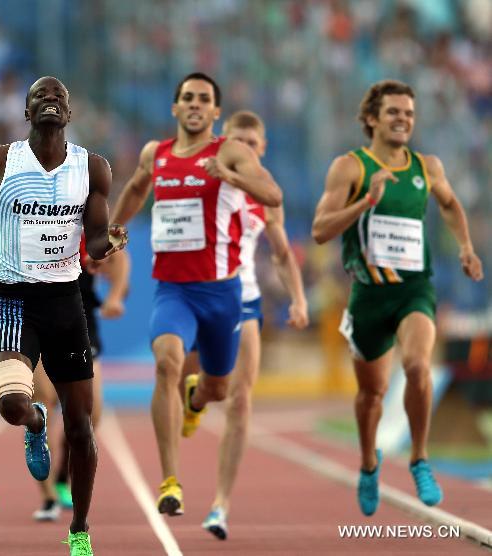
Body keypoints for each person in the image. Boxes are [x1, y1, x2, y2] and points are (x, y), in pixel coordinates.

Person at [0, 75, 126, 556]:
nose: (49, 100)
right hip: (12, 300)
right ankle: (34, 425)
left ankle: (80, 529)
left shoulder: (92, 168)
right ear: (27, 113)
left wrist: (108, 243)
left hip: (65, 302)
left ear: (68, 114)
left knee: (80, 425)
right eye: (39, 97)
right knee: (10, 404)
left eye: (59, 97)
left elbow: (93, 241)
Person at [109, 72, 282, 517]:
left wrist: (228, 175)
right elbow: (135, 187)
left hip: (222, 295)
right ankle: (170, 481)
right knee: (167, 361)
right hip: (174, 292)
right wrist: (115, 225)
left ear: (215, 112)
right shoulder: (157, 153)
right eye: (187, 97)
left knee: (218, 388)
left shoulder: (230, 151)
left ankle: (197, 398)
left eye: (204, 99)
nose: (195, 104)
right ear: (174, 107)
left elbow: (272, 192)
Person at [311, 80, 483, 516]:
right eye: (393, 112)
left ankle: (420, 458)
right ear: (372, 118)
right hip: (368, 295)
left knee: (418, 366)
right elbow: (320, 230)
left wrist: (464, 246)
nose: (403, 119)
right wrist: (365, 202)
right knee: (372, 393)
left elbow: (449, 205)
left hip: (414, 290)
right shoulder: (350, 168)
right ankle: (369, 463)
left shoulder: (428, 167)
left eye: (409, 113)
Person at [180, 111, 309, 539]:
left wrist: (298, 298)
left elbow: (280, 251)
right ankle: (194, 400)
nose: (247, 150)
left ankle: (220, 505)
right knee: (196, 382)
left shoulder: (265, 194)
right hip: (198, 293)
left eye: (254, 144)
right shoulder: (203, 177)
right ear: (223, 143)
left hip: (244, 300)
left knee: (240, 400)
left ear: (263, 148)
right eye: (239, 142)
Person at [31, 240, 129, 522]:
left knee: (88, 415)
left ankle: (62, 475)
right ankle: (48, 495)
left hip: (80, 327)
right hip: (38, 324)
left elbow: (120, 256)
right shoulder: (27, 220)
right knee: (43, 404)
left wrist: (115, 296)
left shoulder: (79, 225)